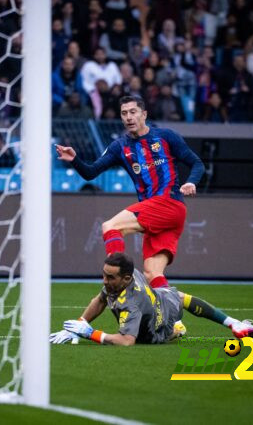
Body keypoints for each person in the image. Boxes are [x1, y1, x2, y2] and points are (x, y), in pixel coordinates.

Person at [55, 95, 204, 334]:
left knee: (110, 226)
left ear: (144, 114)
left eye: (133, 112)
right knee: (153, 273)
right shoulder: (120, 146)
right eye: (124, 113)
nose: (129, 117)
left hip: (169, 202)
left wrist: (192, 182)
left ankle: (122, 275)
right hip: (157, 213)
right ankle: (175, 323)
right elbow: (91, 172)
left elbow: (197, 163)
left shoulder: (166, 137)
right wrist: (75, 160)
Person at [50, 253, 253, 346]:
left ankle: (176, 330)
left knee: (164, 331)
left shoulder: (130, 304)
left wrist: (90, 333)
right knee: (179, 296)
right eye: (103, 274)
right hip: (161, 300)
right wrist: (77, 324)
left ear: (126, 278)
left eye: (109, 277)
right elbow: (100, 299)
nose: (104, 280)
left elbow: (126, 342)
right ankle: (233, 323)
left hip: (155, 329)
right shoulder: (124, 274)